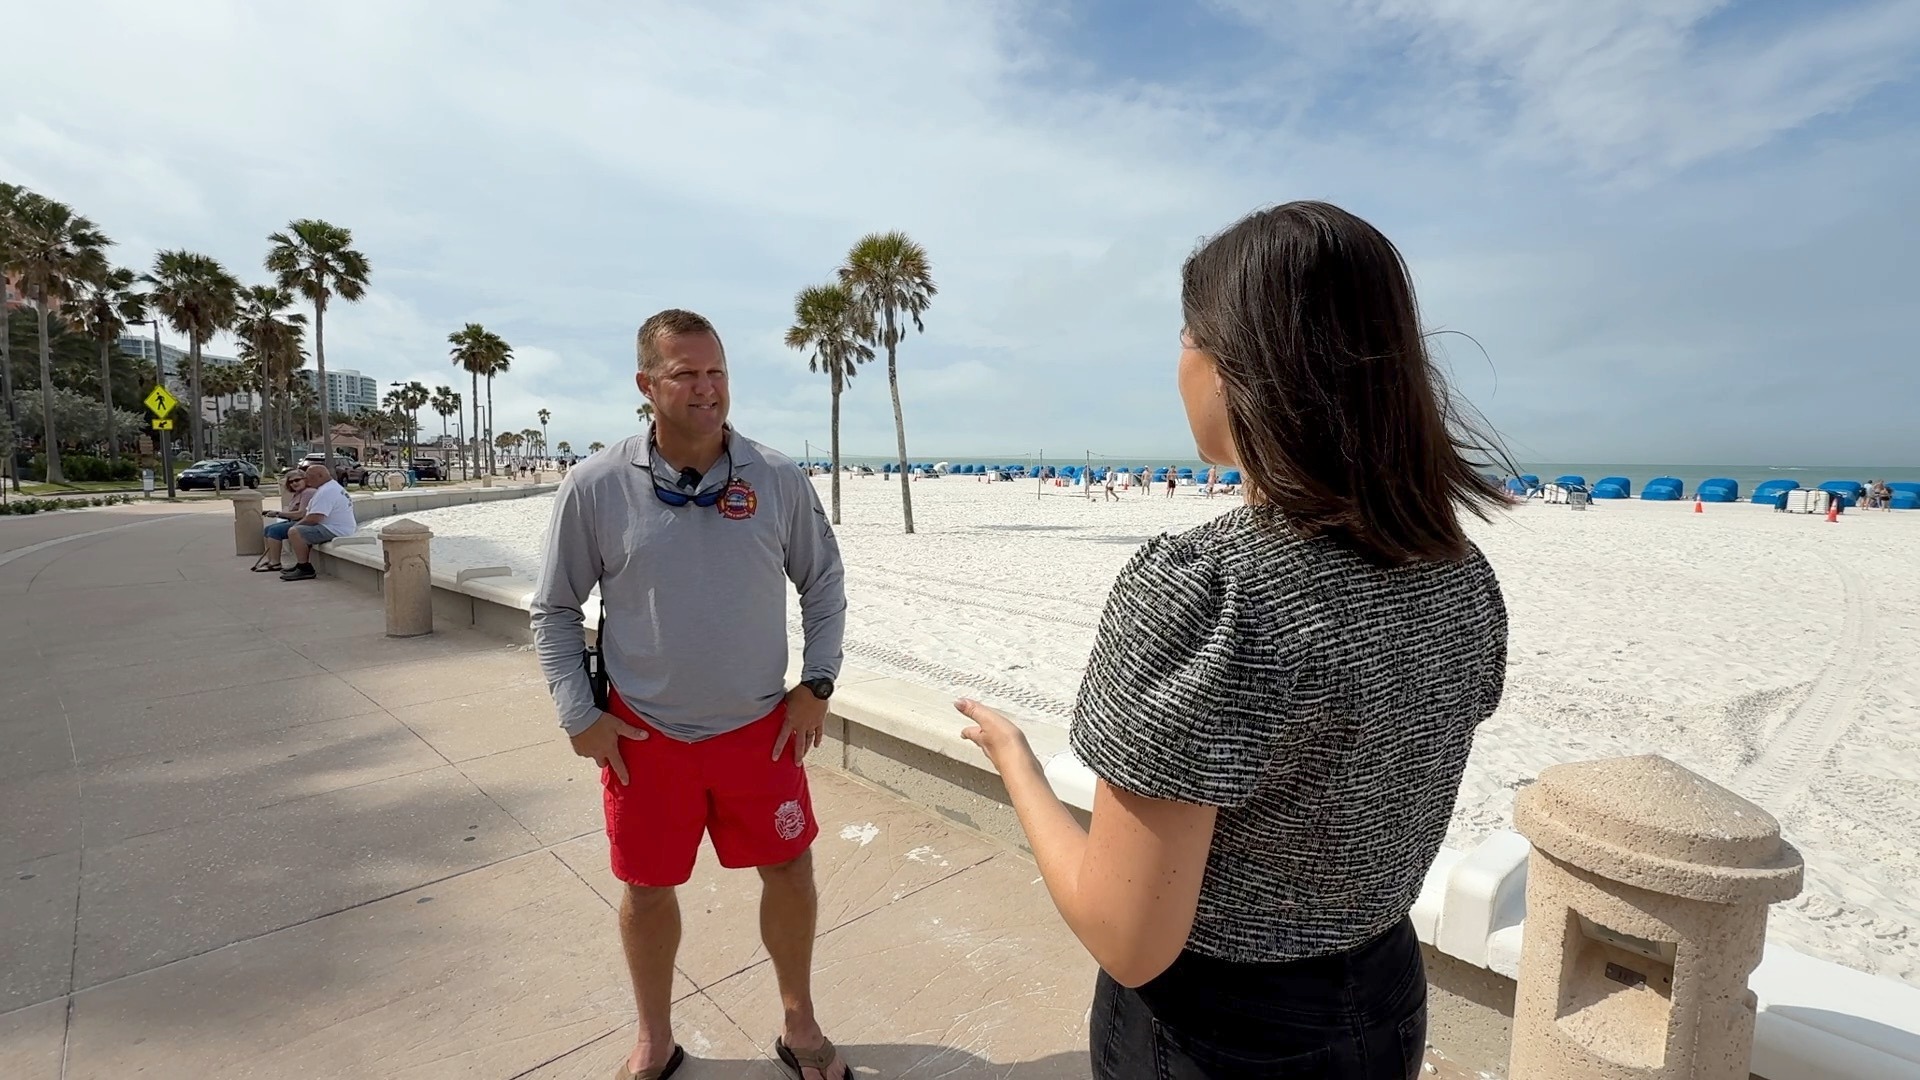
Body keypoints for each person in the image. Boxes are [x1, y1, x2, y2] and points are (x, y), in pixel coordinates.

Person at [953, 201, 1510, 1079]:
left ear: (1231, 367)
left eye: (1185, 335)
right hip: (1387, 999)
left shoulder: (1211, 592)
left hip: (1221, 1032)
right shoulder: (1458, 576)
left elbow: (1127, 938)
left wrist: (1018, 768)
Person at [530, 308, 852, 1080]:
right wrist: (580, 714)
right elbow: (554, 607)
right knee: (646, 891)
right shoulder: (597, 485)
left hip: (760, 732)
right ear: (648, 385)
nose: (707, 389)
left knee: (791, 872)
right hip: (645, 737)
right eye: (686, 374)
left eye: (717, 372)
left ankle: (799, 1021)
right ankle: (655, 1036)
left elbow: (824, 583)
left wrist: (817, 684)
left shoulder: (775, 478)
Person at [281, 463, 357, 581]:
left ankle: (305, 568)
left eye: (309, 476)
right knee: (297, 530)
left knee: (295, 532)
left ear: (320, 476)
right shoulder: (331, 487)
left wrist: (297, 524)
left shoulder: (327, 491)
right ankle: (300, 565)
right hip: (339, 527)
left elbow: (315, 517)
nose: (307, 480)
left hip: (335, 529)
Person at [253, 468, 311, 572]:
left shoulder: (308, 493)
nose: (294, 483)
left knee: (275, 531)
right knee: (268, 529)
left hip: (305, 523)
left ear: (305, 479)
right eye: (291, 482)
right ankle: (271, 559)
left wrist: (278, 514)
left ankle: (275, 563)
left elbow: (301, 514)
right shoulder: (297, 493)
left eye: (297, 480)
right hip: (295, 522)